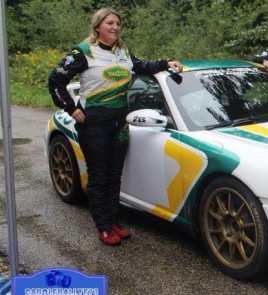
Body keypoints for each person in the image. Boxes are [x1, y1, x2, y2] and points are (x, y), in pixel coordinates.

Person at [48, 7, 183, 246]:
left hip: (121, 122)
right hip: (94, 124)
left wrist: (166, 62)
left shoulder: (122, 52)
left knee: (114, 175)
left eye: (118, 23)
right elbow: (55, 79)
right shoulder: (83, 51)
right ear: (97, 26)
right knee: (99, 176)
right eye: (110, 23)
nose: (115, 27)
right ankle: (103, 226)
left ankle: (113, 221)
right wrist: (71, 108)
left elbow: (143, 66)